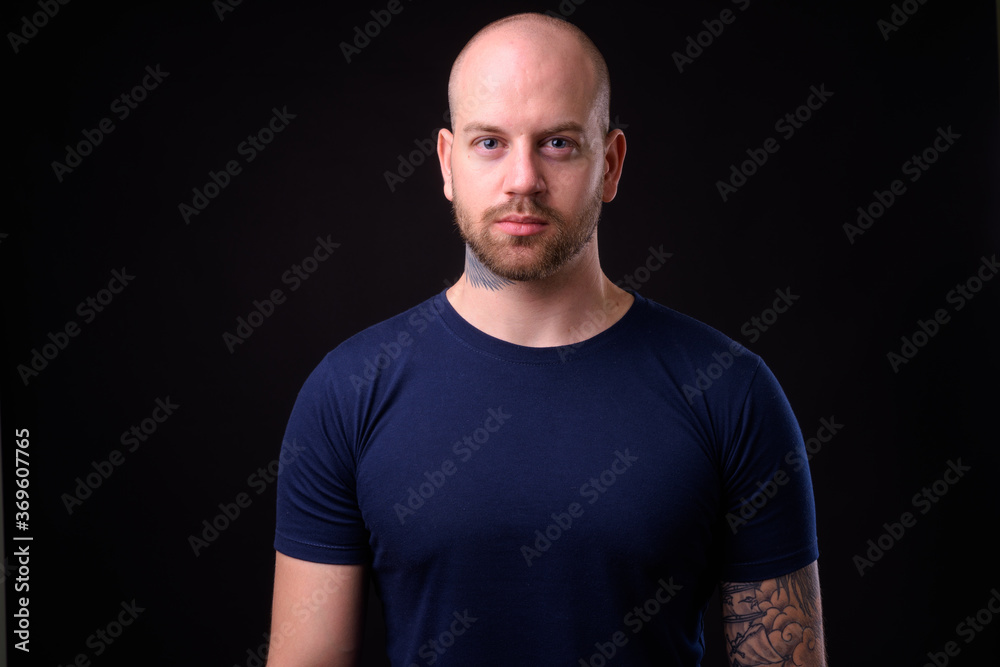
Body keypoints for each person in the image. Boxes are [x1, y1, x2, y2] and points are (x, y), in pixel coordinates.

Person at [267, 12, 826, 667]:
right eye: (490, 143)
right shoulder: (348, 392)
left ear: (610, 163)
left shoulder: (731, 391)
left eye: (558, 142)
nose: (523, 180)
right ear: (447, 163)